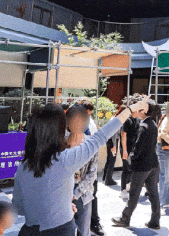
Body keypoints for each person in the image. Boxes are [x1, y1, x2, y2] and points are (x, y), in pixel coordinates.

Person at [12, 96, 151, 236]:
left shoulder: (23, 167)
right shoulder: (64, 160)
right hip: (61, 230)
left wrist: (59, 205)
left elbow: (19, 208)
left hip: (29, 231)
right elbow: (101, 136)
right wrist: (130, 109)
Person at [112, 99, 161, 230]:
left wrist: (131, 160)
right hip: (153, 164)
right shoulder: (153, 124)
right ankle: (155, 221)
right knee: (153, 193)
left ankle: (125, 218)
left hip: (142, 166)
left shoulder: (144, 126)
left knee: (134, 193)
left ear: (143, 110)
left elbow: (138, 148)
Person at [66, 105, 98, 236]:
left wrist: (75, 194)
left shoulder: (90, 143)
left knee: (83, 230)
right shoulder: (60, 142)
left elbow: (92, 174)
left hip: (83, 194)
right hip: (62, 192)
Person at [75, 98, 103, 236]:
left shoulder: (89, 125)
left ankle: (94, 223)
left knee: (90, 199)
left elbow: (92, 161)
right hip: (72, 183)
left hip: (85, 181)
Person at [120, 96, 142, 199]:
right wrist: (124, 150)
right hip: (126, 148)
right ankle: (123, 189)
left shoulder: (137, 120)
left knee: (133, 169)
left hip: (134, 148)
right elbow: (123, 135)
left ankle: (129, 186)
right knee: (126, 169)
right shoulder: (127, 120)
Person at [103, 105, 123, 186]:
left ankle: (105, 177)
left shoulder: (113, 118)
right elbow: (114, 134)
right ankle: (108, 179)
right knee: (112, 160)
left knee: (109, 159)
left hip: (109, 140)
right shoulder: (117, 120)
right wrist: (114, 145)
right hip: (113, 141)